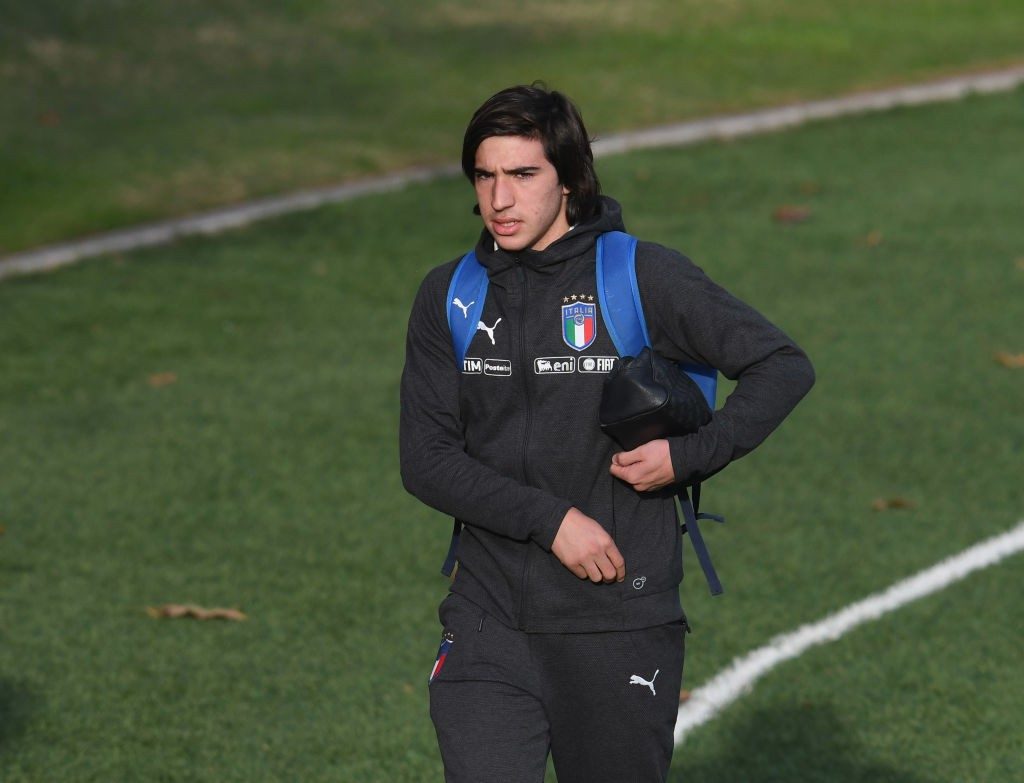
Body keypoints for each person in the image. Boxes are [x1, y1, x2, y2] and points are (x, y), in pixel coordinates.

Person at [400, 83, 814, 782]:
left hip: (618, 621)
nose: (500, 198)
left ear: (568, 178)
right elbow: (426, 459)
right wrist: (551, 520)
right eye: (484, 175)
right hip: (487, 619)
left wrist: (688, 455)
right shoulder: (450, 295)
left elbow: (782, 365)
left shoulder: (642, 275)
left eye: (523, 174)